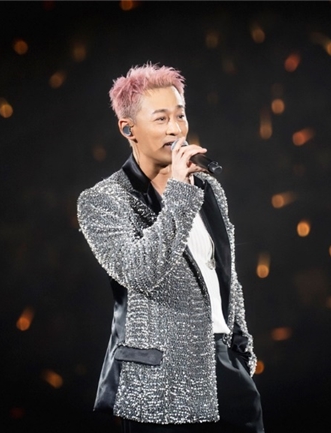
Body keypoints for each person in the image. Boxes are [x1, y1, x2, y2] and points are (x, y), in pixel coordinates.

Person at [77, 63, 264, 433]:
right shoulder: (103, 200)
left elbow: (223, 272)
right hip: (159, 385)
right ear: (128, 128)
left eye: (180, 115)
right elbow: (141, 272)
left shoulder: (207, 188)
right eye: (161, 118)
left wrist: (241, 350)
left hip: (226, 371)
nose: (176, 129)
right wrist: (179, 194)